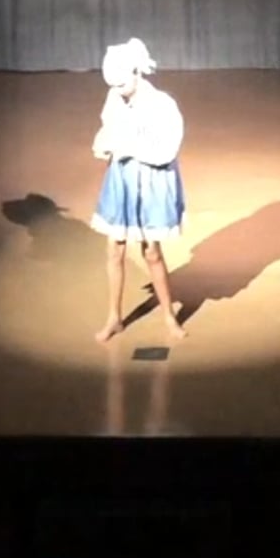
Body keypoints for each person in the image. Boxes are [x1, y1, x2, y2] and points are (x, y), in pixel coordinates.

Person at [89, 38, 186, 343]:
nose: (117, 89)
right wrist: (104, 145)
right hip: (122, 178)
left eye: (121, 83)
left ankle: (168, 315)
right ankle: (114, 318)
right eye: (113, 84)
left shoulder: (162, 104)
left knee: (152, 251)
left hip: (148, 181)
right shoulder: (115, 97)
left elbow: (167, 148)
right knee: (114, 248)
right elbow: (109, 127)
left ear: (136, 72)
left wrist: (129, 146)